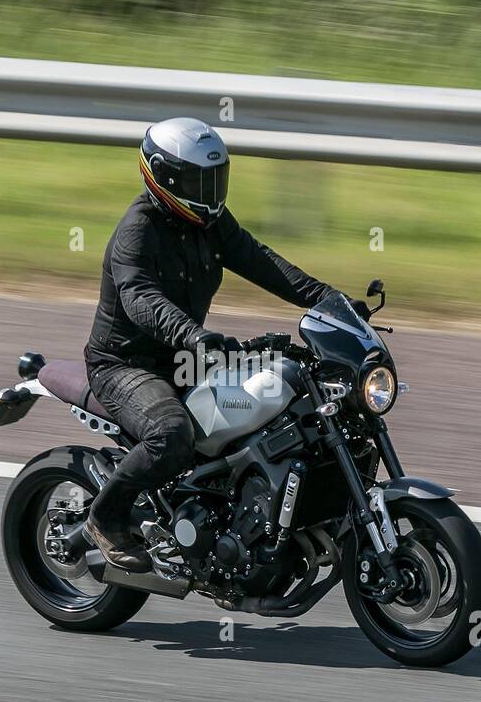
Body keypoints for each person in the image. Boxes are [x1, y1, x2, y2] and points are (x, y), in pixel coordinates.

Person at [83, 117, 343, 571]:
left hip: (188, 357)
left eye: (214, 178)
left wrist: (329, 300)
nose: (209, 190)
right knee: (171, 434)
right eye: (196, 180)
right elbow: (140, 298)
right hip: (126, 366)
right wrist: (193, 336)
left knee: (286, 398)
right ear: (162, 177)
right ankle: (105, 518)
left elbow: (261, 261)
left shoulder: (212, 224)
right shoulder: (136, 232)